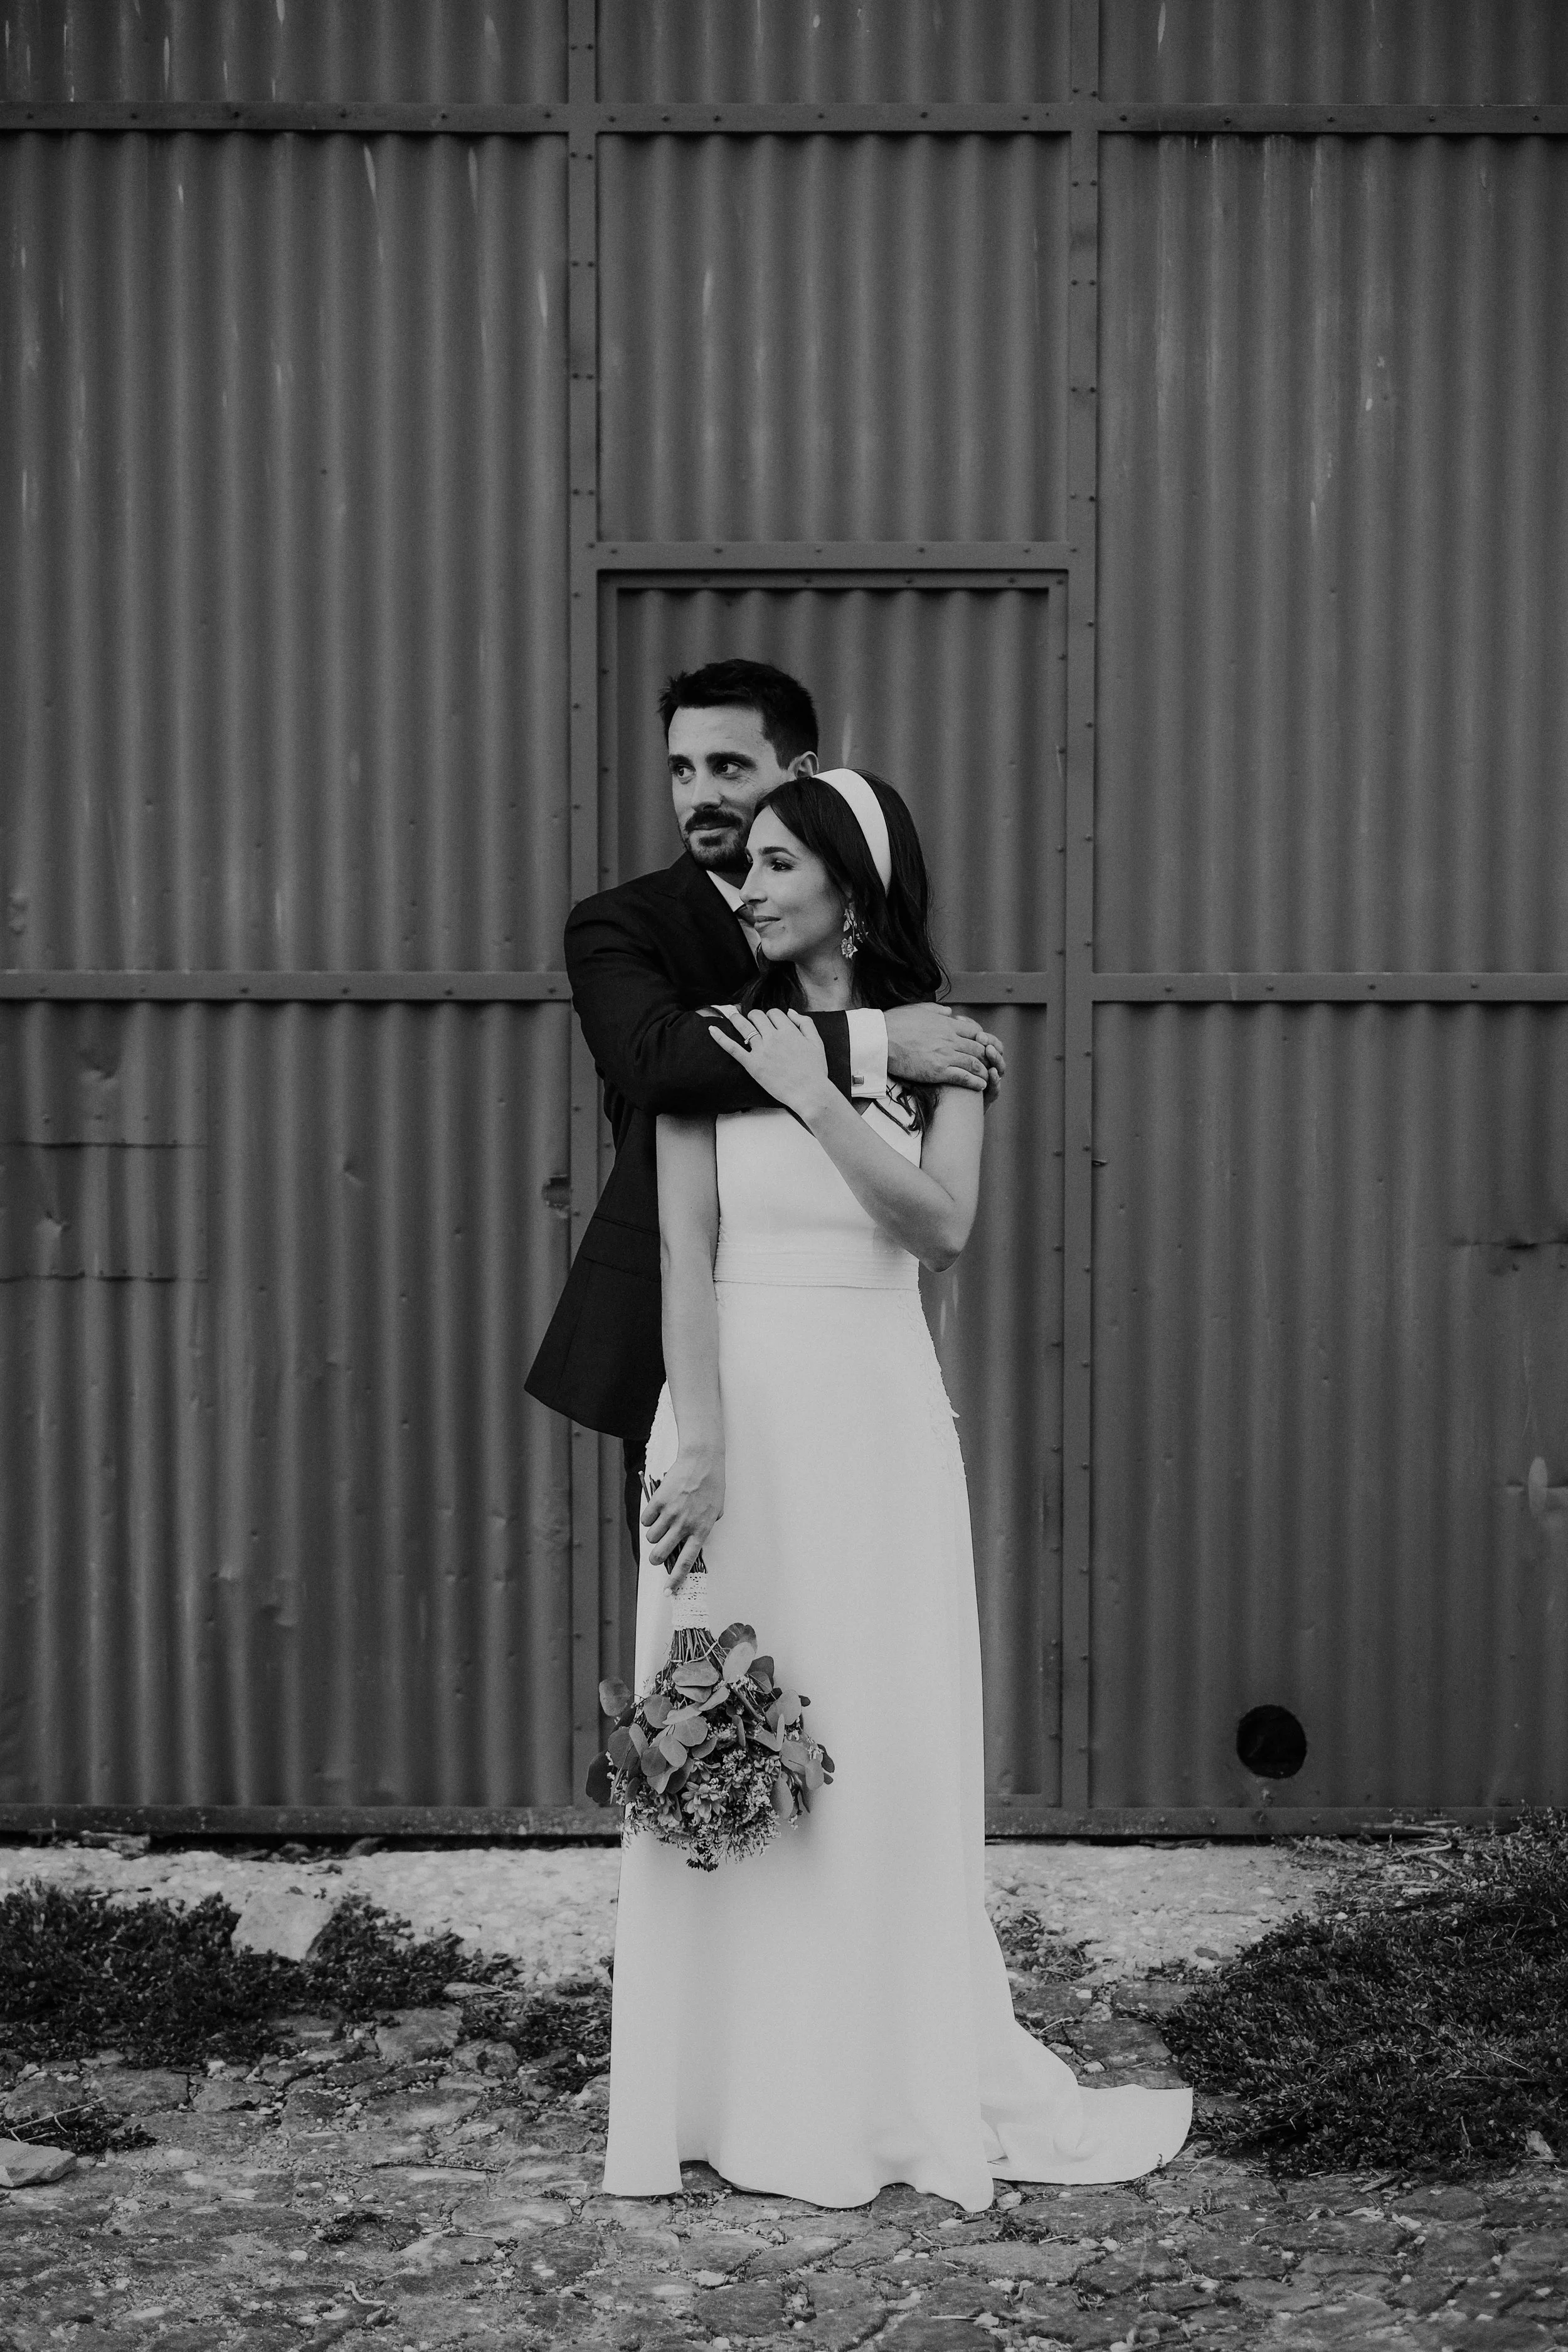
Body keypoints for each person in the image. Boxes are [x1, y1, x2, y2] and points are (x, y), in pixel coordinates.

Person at [602, 768, 1192, 2207]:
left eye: (775, 863)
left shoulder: (946, 1052)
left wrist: (818, 1100)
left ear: (851, 893)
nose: (743, 885)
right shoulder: (710, 1040)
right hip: (733, 1418)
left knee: (873, 1744)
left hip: (871, 1421)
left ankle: (867, 2081)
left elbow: (940, 1231)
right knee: (717, 1737)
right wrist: (702, 1440)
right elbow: (685, 1251)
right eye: (740, 865)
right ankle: (722, 2091)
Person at [524, 659, 1004, 1545]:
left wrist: (877, 1052)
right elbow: (661, 1061)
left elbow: (944, 1232)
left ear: (805, 779)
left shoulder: (938, 1041)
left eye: (730, 767)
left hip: (869, 1385)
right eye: (680, 769)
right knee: (720, 1660)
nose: (699, 794)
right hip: (700, 1362)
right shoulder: (622, 925)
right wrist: (873, 1043)